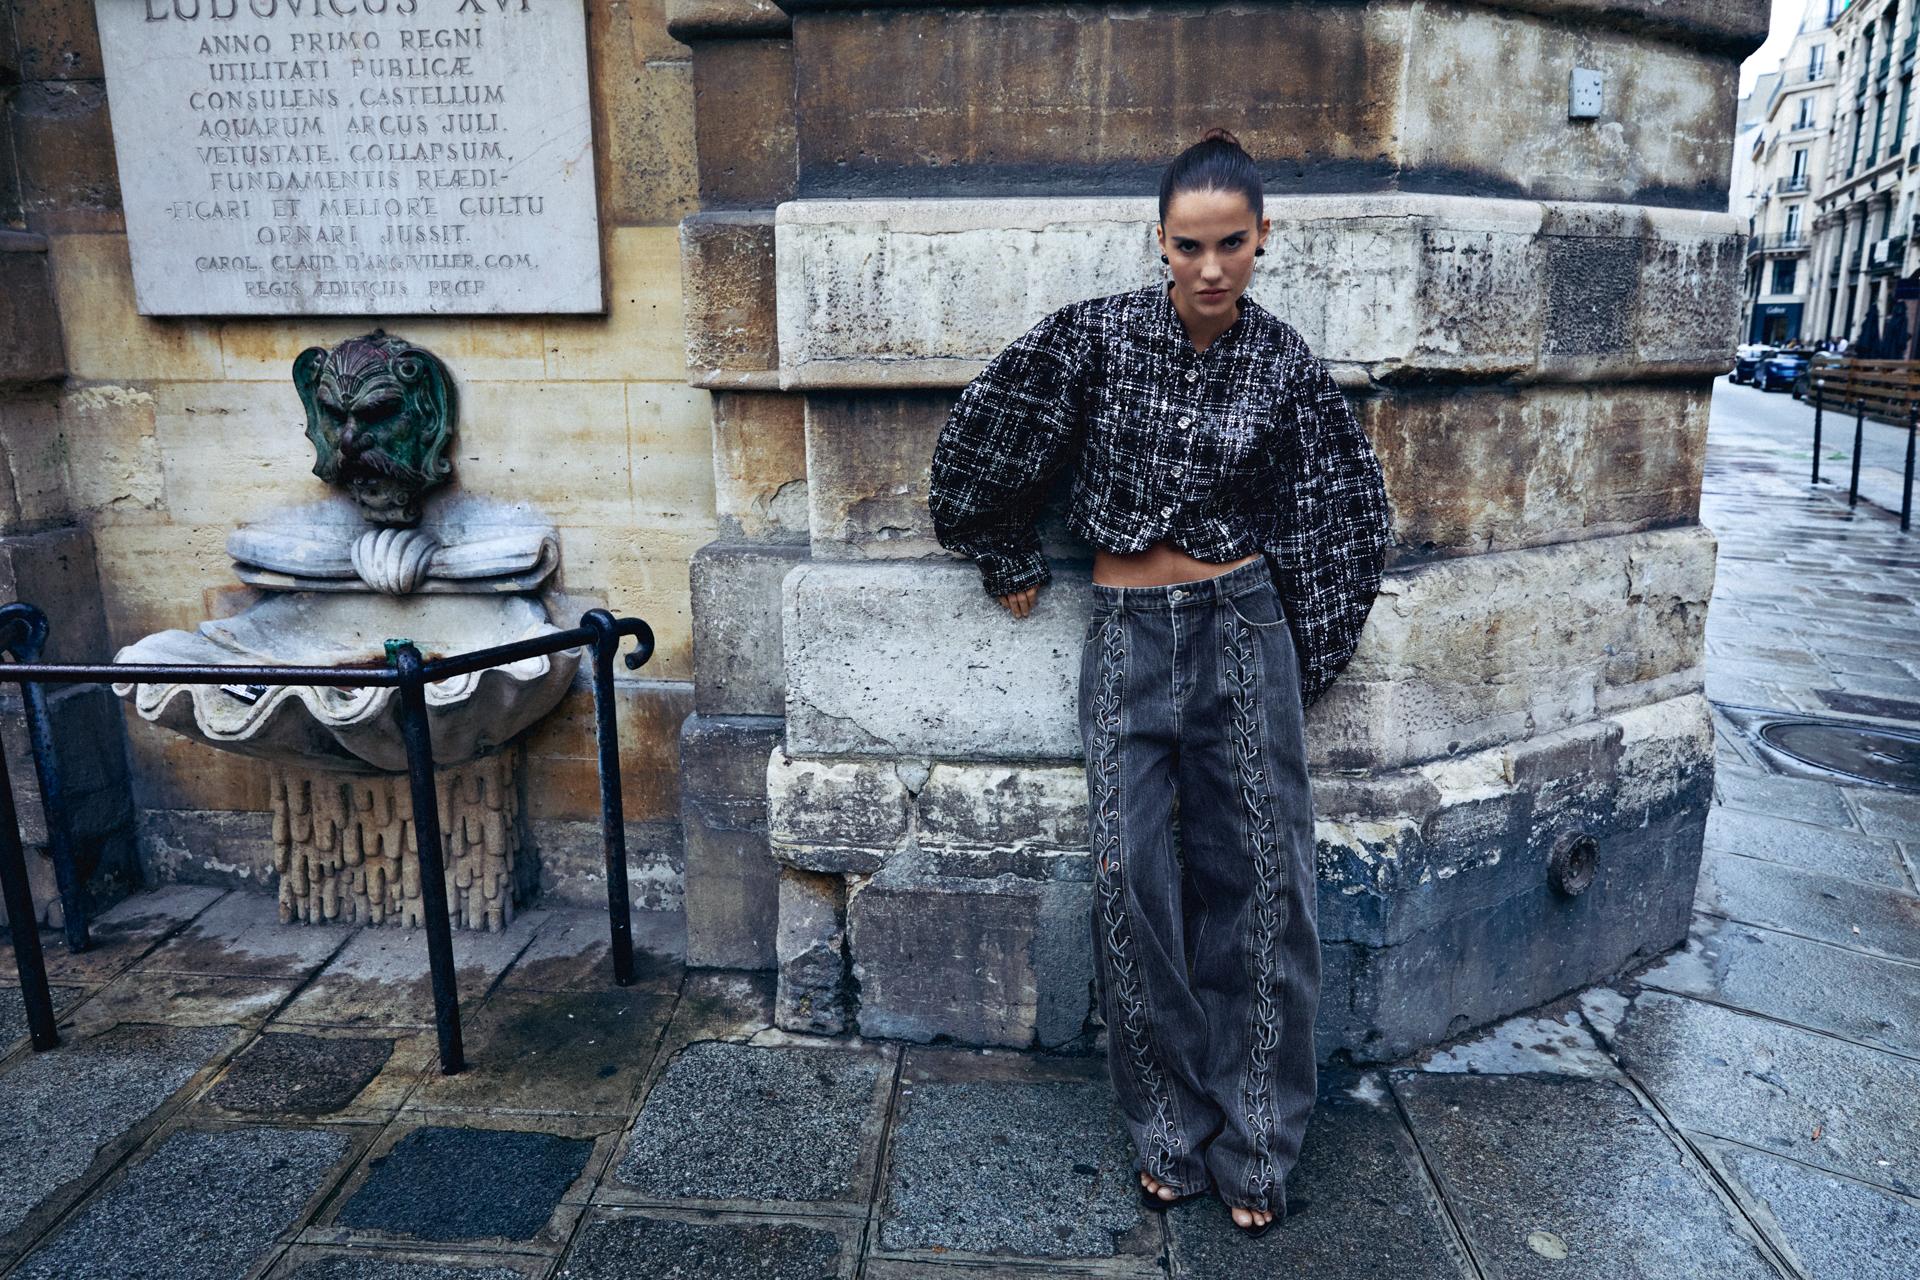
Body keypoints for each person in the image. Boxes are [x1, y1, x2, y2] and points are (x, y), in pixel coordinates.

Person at [927, 128, 1392, 1237]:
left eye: (1233, 242)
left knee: (1266, 893)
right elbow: (978, 445)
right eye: (1190, 244)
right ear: (1161, 240)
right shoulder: (1094, 339)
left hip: (1242, 630)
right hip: (1125, 631)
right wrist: (1005, 556)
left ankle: (1259, 1148)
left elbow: (1347, 515)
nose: (1212, 267)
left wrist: (1295, 665)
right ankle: (1165, 1135)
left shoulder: (1284, 366)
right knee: (1132, 889)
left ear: (1264, 237)